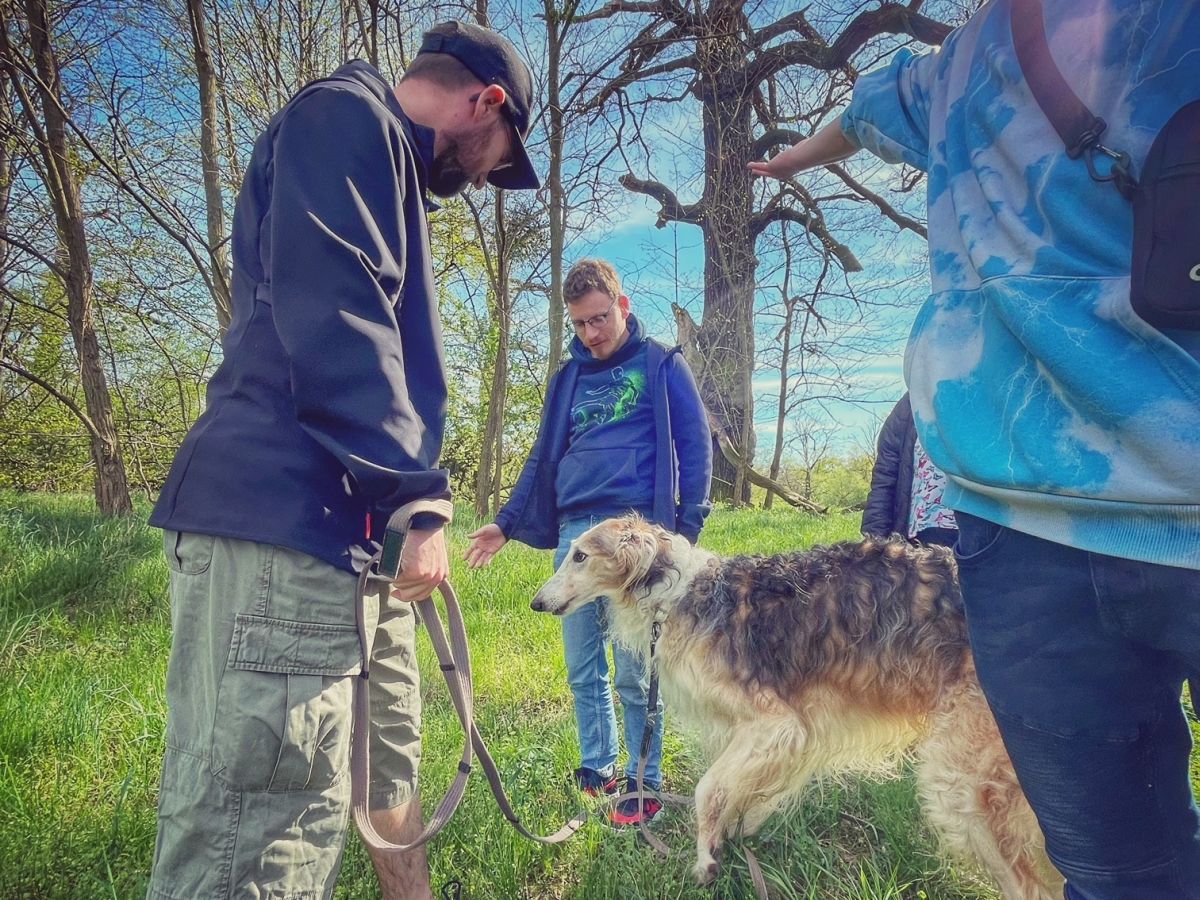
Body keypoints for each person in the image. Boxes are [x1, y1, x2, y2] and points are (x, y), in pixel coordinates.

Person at [751, 3, 1200, 898]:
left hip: (1025, 523)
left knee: (1120, 877)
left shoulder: (959, 65)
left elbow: (863, 113)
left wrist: (799, 155)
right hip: (1038, 529)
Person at [146, 21, 541, 900]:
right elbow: (339, 314)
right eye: (497, 158)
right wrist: (420, 499)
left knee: (388, 772)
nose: (484, 179)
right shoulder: (344, 121)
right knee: (258, 838)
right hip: (284, 532)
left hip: (354, 546)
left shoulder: (385, 160)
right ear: (487, 104)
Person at [464, 258, 712, 825]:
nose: (591, 334)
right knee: (583, 665)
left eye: (599, 319)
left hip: (638, 539)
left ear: (622, 306)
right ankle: (597, 766)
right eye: (579, 324)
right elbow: (541, 455)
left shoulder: (661, 362)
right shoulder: (568, 378)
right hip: (577, 531)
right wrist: (505, 522)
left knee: (634, 669)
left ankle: (643, 778)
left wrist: (684, 532)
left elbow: (695, 448)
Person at [861, 392, 957, 547]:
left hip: (983, 536)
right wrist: (874, 541)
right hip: (923, 534)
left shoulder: (991, 385)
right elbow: (885, 477)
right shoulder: (911, 404)